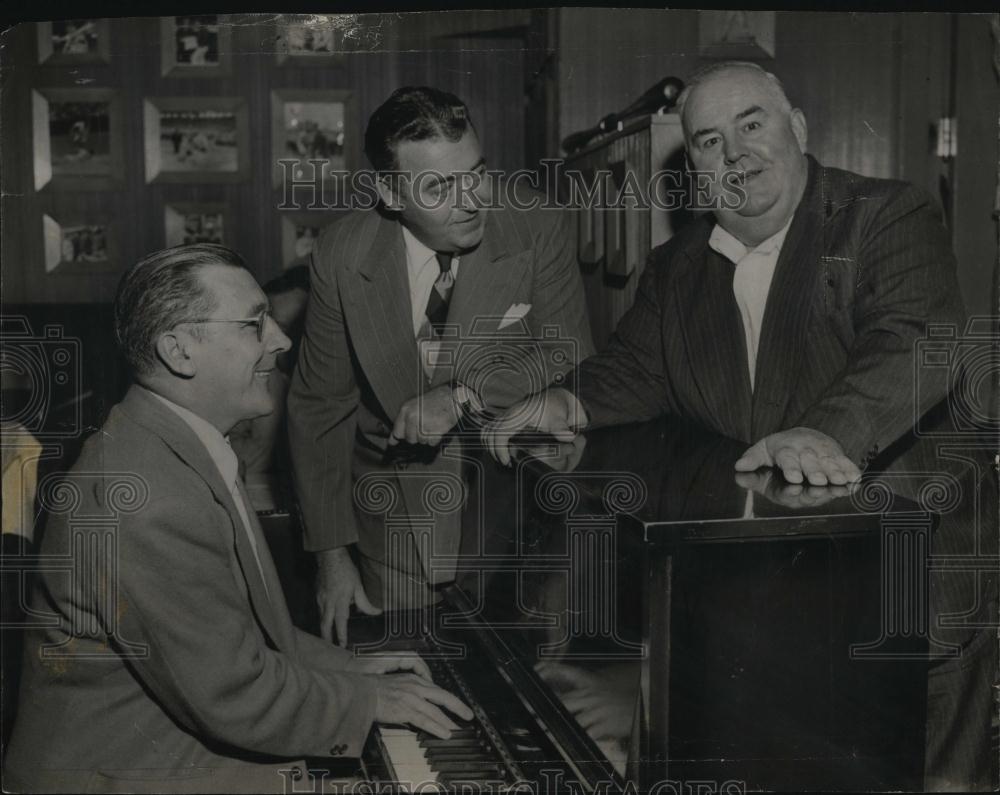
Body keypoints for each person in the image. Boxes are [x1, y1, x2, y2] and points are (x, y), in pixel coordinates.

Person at [484, 62, 995, 791]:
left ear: (798, 128)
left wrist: (825, 434)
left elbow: (915, 340)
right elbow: (636, 367)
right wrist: (566, 402)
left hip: (913, 572)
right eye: (709, 141)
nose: (735, 154)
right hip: (774, 586)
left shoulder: (888, 215)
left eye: (752, 124)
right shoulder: (677, 264)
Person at [3, 244, 472, 794]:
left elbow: (243, 638)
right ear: (179, 351)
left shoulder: (171, 445)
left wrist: (349, 668)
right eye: (255, 324)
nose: (281, 338)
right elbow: (233, 694)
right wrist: (368, 700)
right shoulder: (143, 496)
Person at [287, 86, 594, 645]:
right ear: (388, 191)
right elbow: (320, 410)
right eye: (437, 186)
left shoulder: (536, 223)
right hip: (395, 536)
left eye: (475, 172)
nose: (471, 199)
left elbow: (568, 353)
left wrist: (461, 393)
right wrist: (330, 560)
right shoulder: (340, 254)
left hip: (518, 529)